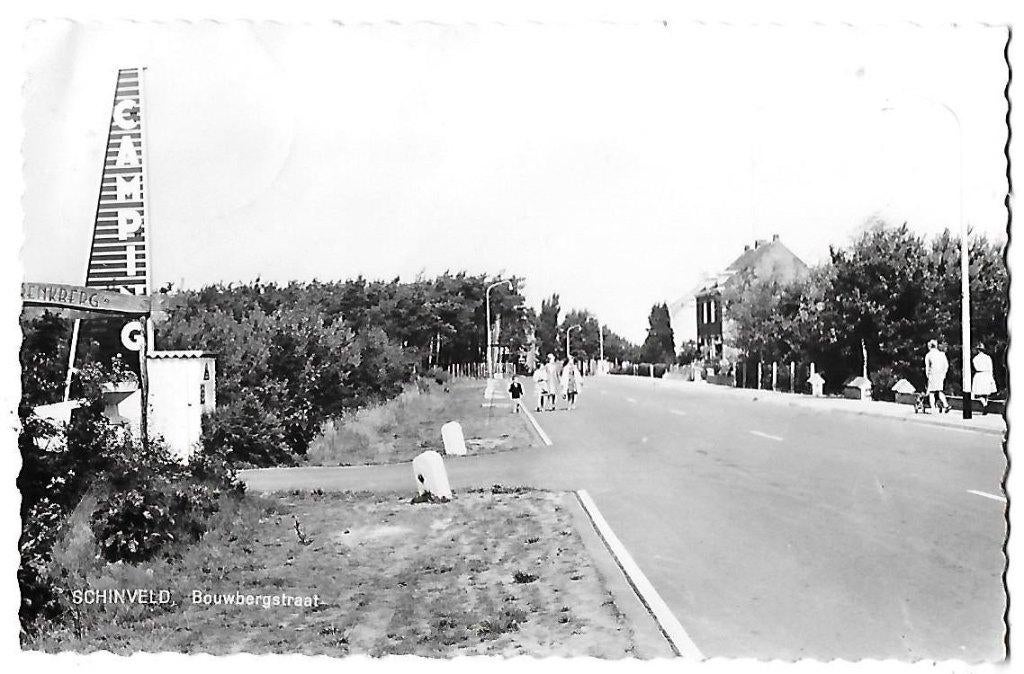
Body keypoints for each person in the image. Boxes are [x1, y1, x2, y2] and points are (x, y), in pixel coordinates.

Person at [924, 339, 950, 413]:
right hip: (940, 375)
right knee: (939, 390)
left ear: (929, 346)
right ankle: (946, 405)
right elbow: (946, 365)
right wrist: (944, 373)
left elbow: (927, 367)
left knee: (931, 392)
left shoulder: (928, 355)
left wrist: (927, 375)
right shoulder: (942, 354)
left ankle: (933, 408)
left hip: (932, 374)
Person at [972, 343, 998, 415]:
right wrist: (991, 376)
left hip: (980, 375)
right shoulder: (988, 357)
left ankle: (985, 405)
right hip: (987, 374)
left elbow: (975, 366)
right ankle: (985, 404)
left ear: (978, 350)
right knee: (985, 392)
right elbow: (991, 367)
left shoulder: (975, 358)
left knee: (979, 393)